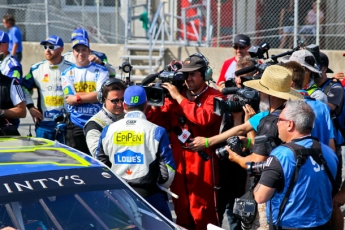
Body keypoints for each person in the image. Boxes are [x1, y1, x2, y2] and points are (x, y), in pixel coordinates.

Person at [146, 53, 224, 229]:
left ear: (205, 74)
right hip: (178, 158)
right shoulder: (174, 96)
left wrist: (179, 98)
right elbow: (156, 123)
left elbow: (203, 118)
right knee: (181, 209)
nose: (188, 79)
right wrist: (157, 101)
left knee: (203, 210)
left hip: (202, 159)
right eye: (185, 75)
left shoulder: (215, 97)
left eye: (192, 74)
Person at [253, 99, 337, 229]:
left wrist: (263, 173)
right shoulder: (329, 152)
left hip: (290, 225)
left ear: (290, 124)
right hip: (323, 224)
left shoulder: (280, 155)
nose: (276, 124)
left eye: (279, 120)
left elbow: (260, 196)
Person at [97, 85, 176, 220]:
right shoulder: (157, 130)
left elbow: (100, 165)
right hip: (150, 197)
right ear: (146, 104)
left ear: (124, 105)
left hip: (118, 198)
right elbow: (168, 172)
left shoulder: (108, 130)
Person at [62, 37, 109, 154]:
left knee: (99, 160)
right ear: (73, 52)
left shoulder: (101, 70)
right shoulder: (66, 73)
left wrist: (78, 97)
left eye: (84, 50)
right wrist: (92, 95)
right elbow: (69, 98)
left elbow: (101, 95)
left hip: (97, 122)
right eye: (77, 50)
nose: (80, 53)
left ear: (89, 51)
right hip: (76, 123)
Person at [20, 35, 73, 141]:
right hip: (44, 124)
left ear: (61, 49)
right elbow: (23, 87)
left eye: (51, 47)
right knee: (43, 156)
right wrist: (31, 107)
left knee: (66, 156)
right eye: (45, 47)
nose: (47, 50)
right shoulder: (36, 69)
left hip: (67, 123)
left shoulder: (72, 68)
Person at [314, 52, 344, 229]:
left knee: (331, 201)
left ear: (323, 68)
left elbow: (328, 108)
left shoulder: (335, 88)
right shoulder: (309, 89)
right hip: (309, 146)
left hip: (331, 149)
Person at [84, 78, 126, 157]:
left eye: (123, 99)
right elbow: (97, 154)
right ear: (103, 99)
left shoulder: (130, 116)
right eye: (115, 101)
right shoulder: (94, 124)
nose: (120, 104)